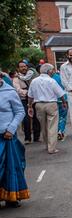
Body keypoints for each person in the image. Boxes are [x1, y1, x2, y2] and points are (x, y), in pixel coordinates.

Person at [0, 78, 29, 208]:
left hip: (7, 136)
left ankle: (11, 198)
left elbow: (20, 112)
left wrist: (11, 129)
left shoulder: (9, 91)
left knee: (10, 167)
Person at [27, 64, 67, 154]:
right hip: (51, 104)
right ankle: (52, 148)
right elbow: (60, 94)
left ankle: (47, 145)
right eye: (52, 70)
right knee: (52, 126)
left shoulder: (34, 81)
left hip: (38, 105)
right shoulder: (51, 81)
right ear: (48, 71)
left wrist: (29, 106)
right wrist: (64, 102)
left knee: (43, 126)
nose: (53, 72)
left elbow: (30, 95)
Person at [12, 60, 40, 144]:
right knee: (26, 119)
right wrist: (28, 93)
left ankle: (36, 137)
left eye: (25, 66)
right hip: (23, 100)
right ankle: (27, 138)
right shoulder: (16, 78)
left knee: (36, 118)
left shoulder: (31, 75)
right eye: (21, 66)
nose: (23, 68)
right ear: (18, 68)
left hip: (34, 99)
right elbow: (18, 89)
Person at [51, 70, 68, 141]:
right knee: (62, 116)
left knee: (55, 117)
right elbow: (65, 87)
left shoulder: (47, 79)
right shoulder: (60, 77)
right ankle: (61, 131)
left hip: (52, 100)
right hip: (62, 98)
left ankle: (57, 131)